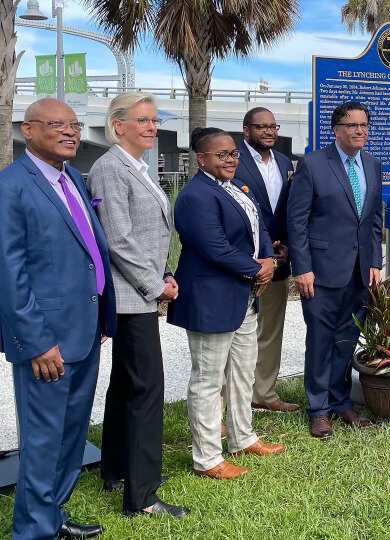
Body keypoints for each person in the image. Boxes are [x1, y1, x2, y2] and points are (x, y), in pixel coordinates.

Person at [0, 98, 116, 540]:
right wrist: (35, 341)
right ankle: (31, 532)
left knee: (70, 436)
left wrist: (100, 314)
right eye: (57, 125)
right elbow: (9, 274)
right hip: (46, 343)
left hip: (84, 333)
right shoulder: (11, 186)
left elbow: (87, 254)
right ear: (27, 130)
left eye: (74, 125)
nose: (70, 132)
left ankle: (52, 517)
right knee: (44, 439)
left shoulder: (73, 183)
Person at [86, 93, 188, 518]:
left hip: (141, 292)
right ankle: (142, 496)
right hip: (130, 299)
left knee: (127, 387)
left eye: (154, 120)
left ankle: (117, 469)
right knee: (146, 391)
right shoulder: (111, 168)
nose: (151, 127)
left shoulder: (138, 168)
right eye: (142, 120)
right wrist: (155, 285)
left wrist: (164, 271)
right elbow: (119, 240)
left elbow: (151, 235)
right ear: (118, 125)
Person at [168, 128, 285, 480]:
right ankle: (206, 458)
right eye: (222, 155)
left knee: (242, 371)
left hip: (244, 296)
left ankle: (242, 437)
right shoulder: (195, 197)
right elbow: (215, 247)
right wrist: (259, 269)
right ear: (201, 159)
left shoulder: (235, 189)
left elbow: (259, 229)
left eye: (234, 153)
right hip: (211, 299)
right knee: (207, 380)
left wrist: (269, 260)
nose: (231, 159)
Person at [287, 101, 383, 439]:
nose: (360, 130)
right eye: (352, 125)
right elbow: (296, 221)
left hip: (359, 272)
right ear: (336, 129)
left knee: (346, 339)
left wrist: (375, 262)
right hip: (321, 271)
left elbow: (373, 219)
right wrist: (302, 267)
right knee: (321, 340)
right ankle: (318, 409)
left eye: (365, 124)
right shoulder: (313, 164)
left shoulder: (373, 164)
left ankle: (341, 401)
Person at [235, 107, 299, 413]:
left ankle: (264, 393)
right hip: (243, 260)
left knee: (271, 328)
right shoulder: (232, 160)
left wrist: (284, 245)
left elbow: (286, 210)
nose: (269, 132)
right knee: (235, 332)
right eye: (262, 127)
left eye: (273, 126)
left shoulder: (285, 162)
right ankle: (230, 397)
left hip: (277, 259)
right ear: (246, 130)